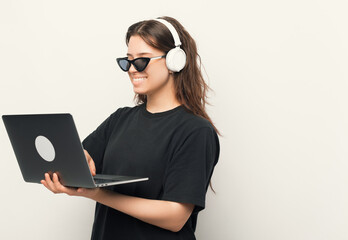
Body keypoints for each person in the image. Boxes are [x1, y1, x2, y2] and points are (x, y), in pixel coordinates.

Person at [41, 16, 220, 239]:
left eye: (142, 60)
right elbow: (83, 158)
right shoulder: (120, 119)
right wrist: (74, 165)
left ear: (175, 61)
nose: (133, 69)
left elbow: (175, 217)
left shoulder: (195, 131)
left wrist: (97, 194)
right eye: (128, 61)